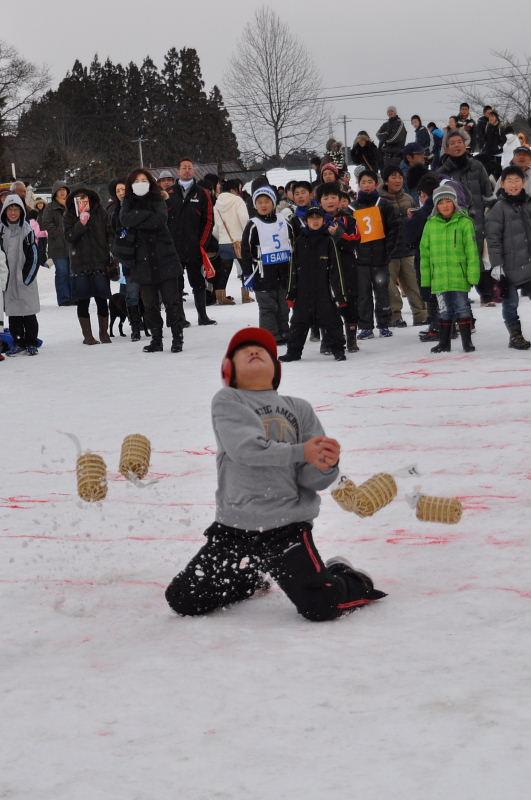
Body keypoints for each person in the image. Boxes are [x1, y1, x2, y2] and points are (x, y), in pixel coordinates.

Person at [165, 326, 386, 621]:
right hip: (234, 527)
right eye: (244, 351)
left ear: (276, 368)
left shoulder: (300, 409)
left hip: (286, 528)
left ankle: (350, 578)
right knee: (183, 599)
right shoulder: (228, 401)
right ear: (229, 370)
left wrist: (325, 466)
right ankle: (247, 580)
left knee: (319, 607)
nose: (254, 352)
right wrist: (301, 451)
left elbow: (310, 479)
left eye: (263, 351)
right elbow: (247, 449)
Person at [120, 168, 185, 354]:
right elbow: (124, 219)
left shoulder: (158, 198)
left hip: (164, 256)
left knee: (172, 301)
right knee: (149, 304)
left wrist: (138, 218)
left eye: (144, 180)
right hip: (142, 260)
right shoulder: (128, 201)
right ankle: (156, 339)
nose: (141, 183)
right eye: (137, 180)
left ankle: (177, 337)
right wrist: (146, 217)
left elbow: (160, 219)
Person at [280, 204, 347, 362]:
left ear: (323, 220)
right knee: (298, 323)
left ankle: (338, 350)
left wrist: (340, 295)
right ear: (306, 221)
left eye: (318, 218)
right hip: (303, 293)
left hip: (324, 292)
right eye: (312, 218)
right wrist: (291, 293)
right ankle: (293, 352)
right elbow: (292, 271)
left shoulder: (328, 241)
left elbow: (336, 270)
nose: (315, 221)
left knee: (332, 322)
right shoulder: (299, 242)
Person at [437, 129, 495, 305]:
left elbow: (488, 193)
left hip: (478, 219)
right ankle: (461, 294)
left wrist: (489, 214)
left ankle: (486, 293)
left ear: (465, 145)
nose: (456, 145)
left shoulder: (477, 166)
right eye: (452, 143)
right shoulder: (442, 173)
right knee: (458, 257)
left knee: (479, 255)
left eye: (459, 142)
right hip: (455, 222)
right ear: (446, 148)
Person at [420, 184, 480, 353]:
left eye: (448, 201)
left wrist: (472, 275)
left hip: (458, 276)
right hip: (439, 278)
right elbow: (425, 254)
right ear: (436, 206)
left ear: (455, 202)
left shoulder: (464, 223)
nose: (445, 205)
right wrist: (426, 281)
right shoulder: (430, 225)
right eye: (441, 202)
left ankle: (467, 342)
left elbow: (471, 251)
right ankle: (444, 342)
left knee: (462, 308)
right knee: (444, 311)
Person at [485, 166, 531, 350]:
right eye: (509, 181)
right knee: (510, 303)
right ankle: (515, 335)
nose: (513, 184)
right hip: (509, 264)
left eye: (517, 180)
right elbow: (493, 239)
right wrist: (497, 265)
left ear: (524, 183)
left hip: (529, 262)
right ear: (502, 184)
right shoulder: (498, 208)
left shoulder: (529, 204)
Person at [241, 184, 292, 344]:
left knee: (284, 306)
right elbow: (245, 251)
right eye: (259, 202)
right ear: (255, 205)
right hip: (262, 274)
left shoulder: (283, 221)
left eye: (267, 201)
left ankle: (285, 332)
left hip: (283, 273)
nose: (263, 205)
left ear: (274, 203)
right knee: (268, 308)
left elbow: (292, 242)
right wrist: (247, 273)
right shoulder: (253, 224)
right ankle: (270, 335)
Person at [167, 157, 216, 326]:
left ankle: (203, 316)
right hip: (174, 249)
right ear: (178, 171)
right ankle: (180, 318)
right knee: (176, 285)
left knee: (198, 283)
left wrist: (201, 243)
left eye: (189, 167)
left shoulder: (203, 193)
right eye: (183, 167)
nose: (187, 170)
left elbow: (209, 220)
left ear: (193, 170)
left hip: (195, 247)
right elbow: (163, 220)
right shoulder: (168, 193)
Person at [352, 168, 398, 339]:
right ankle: (366, 327)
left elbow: (394, 228)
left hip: (380, 259)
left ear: (376, 184)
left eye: (370, 182)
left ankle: (384, 324)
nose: (366, 185)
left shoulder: (384, 204)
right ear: (358, 185)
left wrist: (388, 251)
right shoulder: (352, 207)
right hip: (361, 261)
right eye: (363, 182)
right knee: (363, 295)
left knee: (382, 293)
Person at [63, 185, 112, 345]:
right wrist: (81, 223)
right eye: (79, 199)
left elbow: (109, 233)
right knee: (83, 300)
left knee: (102, 299)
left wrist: (111, 254)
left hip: (99, 260)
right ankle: (88, 336)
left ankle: (104, 333)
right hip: (80, 263)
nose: (83, 201)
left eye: (85, 198)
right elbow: (69, 237)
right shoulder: (69, 215)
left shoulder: (101, 212)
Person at [379, 165, 427, 327]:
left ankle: (421, 314)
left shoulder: (409, 198)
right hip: (388, 251)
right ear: (386, 180)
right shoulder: (379, 200)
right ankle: (395, 315)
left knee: (414, 283)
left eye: (400, 177)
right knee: (390, 288)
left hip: (408, 250)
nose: (397, 180)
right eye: (393, 177)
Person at [318, 182, 360, 352]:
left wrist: (339, 234)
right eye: (325, 198)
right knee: (326, 304)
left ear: (340, 199)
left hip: (346, 267)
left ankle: (351, 339)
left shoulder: (349, 219)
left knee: (350, 303)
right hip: (325, 269)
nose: (330, 201)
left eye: (333, 197)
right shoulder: (315, 220)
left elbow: (355, 240)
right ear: (319, 201)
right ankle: (327, 339)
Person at [0, 194, 40, 355]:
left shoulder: (27, 230)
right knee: (14, 312)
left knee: (28, 312)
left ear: (21, 211)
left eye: (16, 209)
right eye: (10, 209)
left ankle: (31, 341)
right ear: (5, 211)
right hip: (8, 279)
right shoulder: (1, 230)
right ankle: (18, 341)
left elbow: (34, 256)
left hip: (25, 278)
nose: (13, 213)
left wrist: (27, 277)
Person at [405, 172, 441, 342]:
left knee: (431, 292)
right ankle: (451, 324)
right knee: (445, 293)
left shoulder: (423, 214)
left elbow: (410, 237)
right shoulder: (446, 208)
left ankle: (436, 326)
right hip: (445, 259)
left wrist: (411, 220)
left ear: (424, 194)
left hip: (426, 259)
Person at [212, 178, 250, 305]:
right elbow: (244, 219)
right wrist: (247, 236)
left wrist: (222, 239)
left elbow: (215, 227)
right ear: (234, 189)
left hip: (224, 242)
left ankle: (221, 297)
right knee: (246, 268)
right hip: (239, 241)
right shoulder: (238, 200)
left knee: (224, 270)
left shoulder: (217, 204)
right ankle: (246, 295)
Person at [41, 181, 72, 306]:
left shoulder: (71, 205)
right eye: (60, 190)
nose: (62, 192)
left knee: (72, 272)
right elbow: (47, 224)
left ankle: (73, 297)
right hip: (58, 246)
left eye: (64, 189)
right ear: (55, 193)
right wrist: (61, 233)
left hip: (72, 245)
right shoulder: (50, 207)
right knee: (62, 273)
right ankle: (64, 299)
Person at [478, 109, 506, 180]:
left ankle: (499, 183)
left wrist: (498, 147)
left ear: (496, 117)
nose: (491, 118)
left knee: (498, 171)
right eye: (490, 116)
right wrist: (484, 145)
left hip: (497, 153)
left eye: (493, 116)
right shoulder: (488, 126)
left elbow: (504, 140)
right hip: (488, 152)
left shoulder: (500, 127)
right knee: (488, 169)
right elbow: (485, 138)